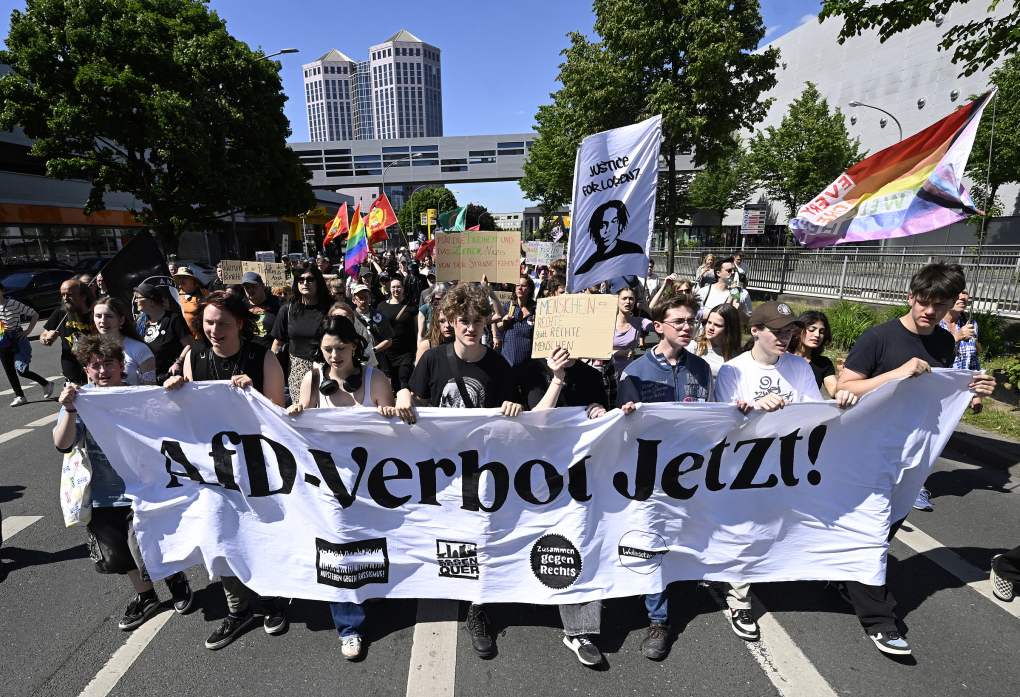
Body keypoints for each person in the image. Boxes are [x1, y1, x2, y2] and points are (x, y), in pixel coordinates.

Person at [835, 262, 996, 656]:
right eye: (924, 302)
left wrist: (972, 392)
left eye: (940, 305)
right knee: (874, 531)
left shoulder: (944, 341)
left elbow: (937, 396)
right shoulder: (878, 337)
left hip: (913, 455)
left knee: (888, 524)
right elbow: (845, 387)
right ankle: (880, 620)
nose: (930, 311)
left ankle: (843, 573)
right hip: (868, 450)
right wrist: (897, 373)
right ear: (911, 297)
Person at [391, 284, 524, 659]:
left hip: (481, 469)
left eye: (477, 321)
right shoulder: (433, 359)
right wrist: (403, 394)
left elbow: (514, 416)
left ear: (486, 323)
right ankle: (440, 580)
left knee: (479, 534)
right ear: (450, 320)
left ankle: (477, 608)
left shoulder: (498, 366)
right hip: (438, 467)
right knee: (443, 529)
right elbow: (416, 399)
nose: (470, 327)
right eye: (464, 320)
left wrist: (514, 409)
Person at [714, 302, 857, 644]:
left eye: (789, 330)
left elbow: (813, 415)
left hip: (790, 464)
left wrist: (842, 404)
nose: (785, 337)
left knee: (797, 524)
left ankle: (829, 573)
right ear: (755, 331)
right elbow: (723, 427)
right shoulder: (733, 371)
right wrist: (754, 410)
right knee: (745, 532)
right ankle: (739, 600)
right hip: (747, 469)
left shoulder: (799, 366)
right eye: (776, 331)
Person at [164, 291, 287, 649]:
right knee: (220, 536)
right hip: (213, 468)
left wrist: (255, 395)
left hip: (257, 464)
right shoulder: (195, 356)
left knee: (260, 532)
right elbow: (188, 416)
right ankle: (238, 609)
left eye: (223, 323)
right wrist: (175, 391)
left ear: (240, 324)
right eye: (208, 322)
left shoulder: (263, 358)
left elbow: (279, 417)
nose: (214, 330)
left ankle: (270, 598)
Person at [54, 336, 194, 630]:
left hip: (141, 489)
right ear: (86, 370)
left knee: (147, 544)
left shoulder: (139, 396)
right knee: (118, 553)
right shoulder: (80, 401)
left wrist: (176, 391)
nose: (102, 371)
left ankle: (175, 580)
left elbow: (173, 426)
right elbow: (63, 444)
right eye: (95, 366)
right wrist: (69, 409)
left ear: (121, 365)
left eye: (109, 364)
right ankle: (146, 596)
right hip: (101, 494)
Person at [284, 316, 396, 660]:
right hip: (331, 483)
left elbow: (396, 434)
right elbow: (303, 429)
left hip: (374, 481)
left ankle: (372, 587)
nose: (334, 356)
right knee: (338, 548)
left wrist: (390, 413)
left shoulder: (375, 378)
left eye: (341, 348)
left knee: (373, 540)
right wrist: (297, 411)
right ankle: (350, 628)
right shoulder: (313, 379)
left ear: (355, 346)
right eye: (328, 349)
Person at [616, 293, 714, 660]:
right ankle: (658, 620)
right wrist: (624, 412)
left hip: (690, 473)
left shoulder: (702, 369)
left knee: (683, 534)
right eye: (679, 321)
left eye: (691, 321)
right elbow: (621, 428)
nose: (688, 327)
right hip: (650, 474)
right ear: (658, 327)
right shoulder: (635, 371)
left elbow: (712, 417)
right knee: (652, 538)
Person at [522, 346, 609, 665]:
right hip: (534, 474)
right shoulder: (531, 369)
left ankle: (579, 630)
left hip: (579, 474)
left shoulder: (592, 376)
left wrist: (601, 412)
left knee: (579, 541)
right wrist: (556, 378)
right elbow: (537, 421)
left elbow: (604, 429)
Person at [272, 260, 331, 401]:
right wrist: (270, 370)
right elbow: (278, 343)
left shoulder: (331, 308)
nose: (305, 283)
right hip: (297, 369)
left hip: (328, 366)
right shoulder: (287, 310)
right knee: (302, 410)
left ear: (318, 282)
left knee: (329, 409)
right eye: (301, 280)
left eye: (310, 279)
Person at [1, 280, 55, 406]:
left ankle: (46, 383)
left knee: (22, 371)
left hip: (17, 338)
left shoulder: (13, 303)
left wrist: (28, 331)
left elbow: (35, 315)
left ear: (2, 291)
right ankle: (20, 396)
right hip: (3, 339)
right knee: (9, 371)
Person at [40, 276, 95, 385]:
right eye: (63, 295)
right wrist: (47, 339)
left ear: (83, 296)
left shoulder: (97, 315)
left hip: (97, 377)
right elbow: (43, 336)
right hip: (72, 380)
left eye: (70, 294)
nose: (65, 298)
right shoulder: (60, 313)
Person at [134, 283, 193, 382]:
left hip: (169, 379)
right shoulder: (140, 322)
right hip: (146, 379)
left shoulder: (174, 319)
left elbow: (189, 345)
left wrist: (179, 362)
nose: (136, 301)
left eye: (138, 297)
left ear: (151, 301)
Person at [93, 296, 156, 385]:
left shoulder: (139, 348)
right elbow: (92, 385)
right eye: (98, 316)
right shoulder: (92, 348)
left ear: (121, 320)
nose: (103, 321)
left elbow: (151, 388)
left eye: (109, 316)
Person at [940, 287, 982, 413]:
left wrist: (977, 395)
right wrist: (956, 338)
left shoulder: (971, 325)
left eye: (965, 293)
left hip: (959, 396)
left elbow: (974, 362)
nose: (962, 297)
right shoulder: (933, 324)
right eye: (957, 293)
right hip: (937, 392)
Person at [575, 200, 644, 275]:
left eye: (613, 222)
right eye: (603, 225)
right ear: (596, 229)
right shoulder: (587, 266)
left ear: (620, 225)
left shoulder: (634, 250)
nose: (607, 230)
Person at [377, 277, 418, 394]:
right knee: (394, 379)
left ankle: (405, 400)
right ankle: (398, 402)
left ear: (403, 288)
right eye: (393, 287)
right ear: (389, 289)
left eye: (398, 287)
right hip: (389, 350)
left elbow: (417, 329)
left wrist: (418, 347)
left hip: (407, 350)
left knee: (404, 378)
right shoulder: (382, 306)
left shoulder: (412, 306)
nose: (396, 289)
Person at [789, 310, 838, 397]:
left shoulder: (823, 363)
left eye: (822, 331)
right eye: (812, 330)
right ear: (798, 330)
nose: (817, 335)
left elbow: (834, 391)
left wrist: (844, 378)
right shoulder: (780, 358)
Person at [688, 303, 743, 377]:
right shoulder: (693, 347)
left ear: (729, 329)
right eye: (709, 322)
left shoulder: (737, 356)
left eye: (717, 325)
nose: (711, 327)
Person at [351, 283, 394, 373]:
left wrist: (373, 351)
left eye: (366, 298)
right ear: (354, 300)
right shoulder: (351, 318)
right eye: (360, 298)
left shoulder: (379, 316)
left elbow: (389, 341)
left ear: (370, 298)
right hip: (358, 362)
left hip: (378, 361)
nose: (363, 301)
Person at [497, 275, 536, 369]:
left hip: (528, 360)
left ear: (530, 289)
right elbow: (498, 324)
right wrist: (504, 323)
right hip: (508, 358)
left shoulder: (536, 308)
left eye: (523, 285)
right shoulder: (508, 306)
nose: (519, 288)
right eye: (517, 285)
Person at [696, 257, 752, 323]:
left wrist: (740, 313)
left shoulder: (742, 293)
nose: (733, 272)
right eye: (729, 270)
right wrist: (712, 313)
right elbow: (695, 315)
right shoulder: (704, 291)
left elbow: (750, 320)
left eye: (734, 270)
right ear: (718, 273)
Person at [612, 287, 655, 374]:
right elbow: (597, 352)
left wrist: (648, 309)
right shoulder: (608, 323)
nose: (628, 301)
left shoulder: (639, 321)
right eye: (624, 298)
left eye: (631, 299)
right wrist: (621, 353)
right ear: (617, 300)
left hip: (627, 373)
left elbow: (661, 327)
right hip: (608, 373)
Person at [330, 301, 379, 367]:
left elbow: (373, 372)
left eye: (346, 319)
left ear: (353, 321)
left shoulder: (366, 352)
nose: (341, 323)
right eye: (337, 319)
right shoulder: (322, 350)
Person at [241, 271, 282, 351]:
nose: (250, 290)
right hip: (248, 353)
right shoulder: (241, 306)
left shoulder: (278, 303)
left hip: (272, 353)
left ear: (262, 286)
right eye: (247, 287)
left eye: (253, 286)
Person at [173, 267, 209, 340]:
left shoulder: (203, 293)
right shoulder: (176, 294)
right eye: (180, 278)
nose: (181, 280)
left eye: (184, 277)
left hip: (200, 336)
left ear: (192, 279)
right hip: (182, 337)